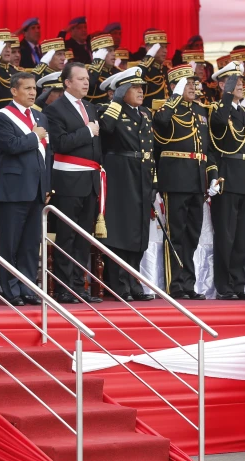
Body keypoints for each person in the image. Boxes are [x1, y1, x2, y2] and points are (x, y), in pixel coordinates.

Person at [43, 62, 103, 304]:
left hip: (90, 179)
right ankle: (64, 288)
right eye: (80, 79)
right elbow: (60, 143)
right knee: (66, 236)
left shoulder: (91, 107)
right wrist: (88, 131)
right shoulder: (54, 110)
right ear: (67, 82)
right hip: (67, 178)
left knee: (83, 237)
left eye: (87, 78)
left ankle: (79, 286)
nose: (86, 82)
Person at [0, 72, 50, 305]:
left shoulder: (39, 117)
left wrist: (46, 184)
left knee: (30, 243)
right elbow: (11, 146)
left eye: (34, 88)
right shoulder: (2, 117)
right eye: (27, 88)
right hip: (14, 188)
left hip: (36, 188)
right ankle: (10, 289)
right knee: (11, 242)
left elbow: (46, 154)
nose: (33, 93)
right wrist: (34, 137)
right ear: (14, 91)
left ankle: (27, 287)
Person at [153, 64, 212, 300]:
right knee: (175, 234)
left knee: (192, 235)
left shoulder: (199, 110)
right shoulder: (167, 109)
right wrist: (175, 96)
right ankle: (175, 284)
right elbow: (161, 123)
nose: (192, 87)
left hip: (197, 179)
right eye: (186, 83)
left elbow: (207, 148)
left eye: (192, 83)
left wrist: (212, 174)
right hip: (176, 178)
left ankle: (188, 283)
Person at [97, 67, 155, 301]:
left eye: (142, 87)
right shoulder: (110, 110)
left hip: (141, 174)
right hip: (120, 174)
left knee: (138, 231)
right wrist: (117, 102)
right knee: (121, 231)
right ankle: (119, 284)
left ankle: (133, 281)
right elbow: (106, 129)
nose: (141, 91)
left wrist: (154, 180)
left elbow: (151, 148)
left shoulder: (145, 114)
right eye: (134, 87)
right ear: (120, 91)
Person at [207, 62, 245, 300]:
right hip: (228, 176)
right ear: (223, 85)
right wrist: (226, 96)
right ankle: (224, 285)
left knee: (242, 237)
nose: (241, 85)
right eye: (235, 82)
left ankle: (238, 284)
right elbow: (218, 125)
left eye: (242, 81)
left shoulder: (244, 113)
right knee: (226, 235)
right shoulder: (217, 108)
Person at [138, 30, 168, 109]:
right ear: (149, 48)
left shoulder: (167, 70)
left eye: (166, 47)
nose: (165, 51)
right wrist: (149, 56)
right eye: (161, 47)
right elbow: (136, 77)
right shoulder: (144, 69)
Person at [85, 34, 117, 104]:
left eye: (113, 50)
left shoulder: (117, 71)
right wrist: (98, 61)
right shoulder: (88, 72)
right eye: (109, 51)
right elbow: (89, 85)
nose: (114, 54)